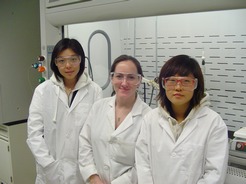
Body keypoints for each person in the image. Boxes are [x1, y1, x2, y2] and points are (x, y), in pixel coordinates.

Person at [135, 54, 228, 184]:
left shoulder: (213, 123)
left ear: (196, 85)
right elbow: (143, 164)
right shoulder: (150, 119)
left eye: (185, 81)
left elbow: (214, 174)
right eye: (172, 80)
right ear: (163, 84)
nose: (178, 87)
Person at [26, 38, 102, 184]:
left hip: (81, 171)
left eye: (73, 59)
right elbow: (34, 134)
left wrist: (90, 168)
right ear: (55, 63)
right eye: (61, 60)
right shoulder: (43, 90)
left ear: (81, 60)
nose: (68, 65)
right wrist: (48, 165)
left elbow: (96, 134)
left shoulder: (94, 91)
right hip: (50, 172)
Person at [78, 54, 151, 184]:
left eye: (131, 77)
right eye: (119, 76)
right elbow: (85, 143)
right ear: (112, 78)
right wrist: (93, 177)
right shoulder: (98, 107)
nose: (124, 83)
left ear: (139, 80)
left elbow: (145, 163)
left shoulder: (148, 117)